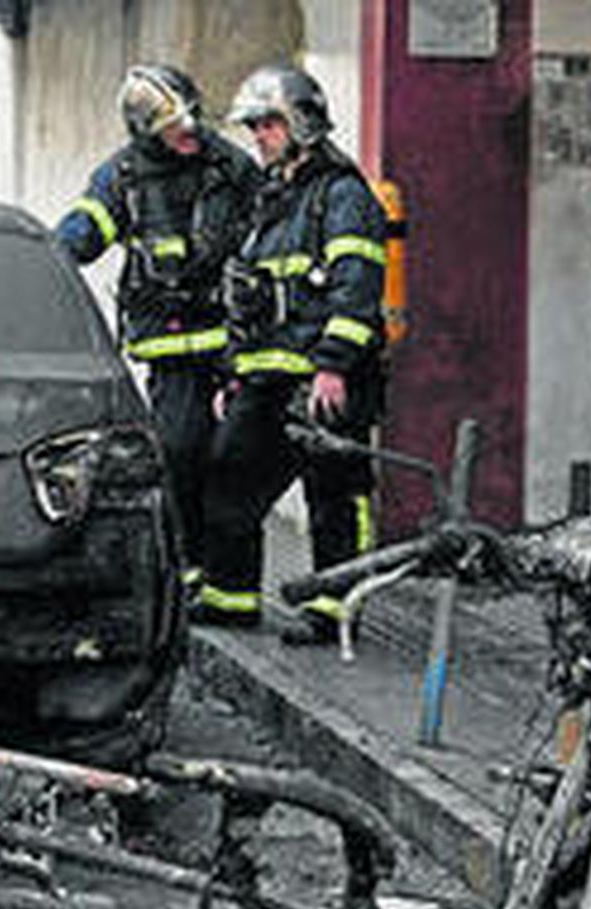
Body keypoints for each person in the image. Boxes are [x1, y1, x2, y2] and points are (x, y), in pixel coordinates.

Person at [195, 64, 388, 640]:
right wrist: (232, 375)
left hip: (324, 376)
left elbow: (357, 286)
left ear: (301, 123)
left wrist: (334, 366)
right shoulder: (271, 200)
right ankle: (231, 598)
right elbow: (248, 295)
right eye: (254, 127)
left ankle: (335, 609)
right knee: (229, 473)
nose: (259, 136)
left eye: (269, 124)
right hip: (265, 376)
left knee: (334, 492)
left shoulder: (343, 195)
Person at [55, 66, 260, 588]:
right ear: (145, 130)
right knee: (178, 451)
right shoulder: (123, 177)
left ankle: (229, 581)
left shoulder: (233, 167)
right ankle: (187, 562)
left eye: (191, 117)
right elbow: (84, 231)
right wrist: (45, 258)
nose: (188, 130)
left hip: (236, 339)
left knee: (235, 460)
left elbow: (270, 230)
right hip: (172, 349)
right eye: (173, 124)